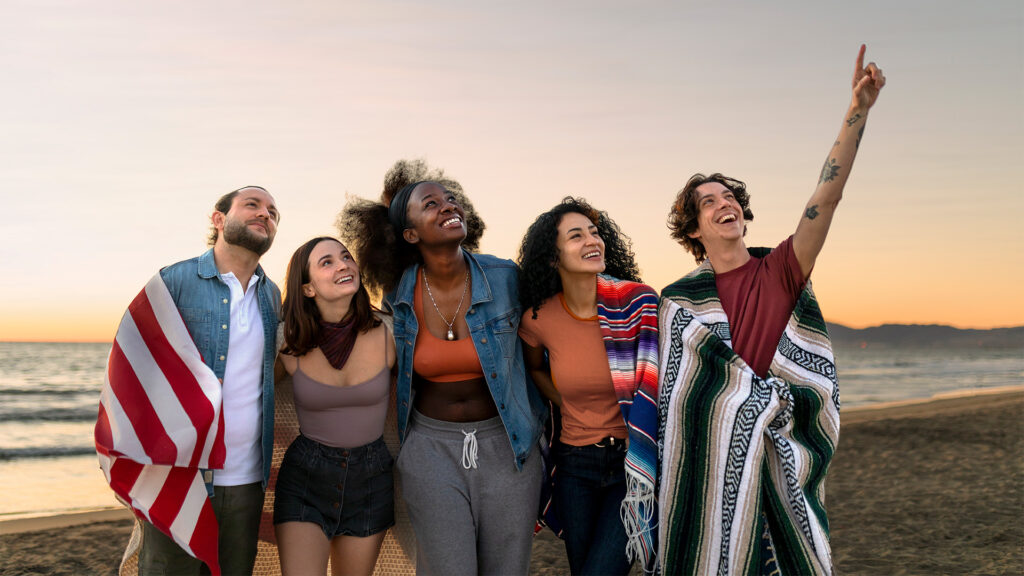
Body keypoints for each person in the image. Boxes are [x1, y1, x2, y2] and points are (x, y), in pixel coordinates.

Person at [657, 46, 885, 575]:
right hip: (712, 464)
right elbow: (673, 397)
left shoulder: (781, 269)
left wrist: (858, 110)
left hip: (782, 451)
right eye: (707, 201)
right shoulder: (678, 302)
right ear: (692, 228)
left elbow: (826, 198)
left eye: (728, 195)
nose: (723, 203)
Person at [337, 159, 547, 575]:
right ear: (410, 234)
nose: (448, 206)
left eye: (451, 199)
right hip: (431, 450)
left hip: (508, 446)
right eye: (430, 203)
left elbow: (545, 340)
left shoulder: (505, 278)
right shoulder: (398, 294)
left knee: (507, 568)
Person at [96, 186, 282, 575]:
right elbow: (130, 368)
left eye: (272, 212)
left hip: (247, 479)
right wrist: (132, 449)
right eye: (252, 205)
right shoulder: (173, 282)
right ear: (218, 219)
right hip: (180, 476)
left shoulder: (272, 296)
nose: (265, 214)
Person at [517, 198, 659, 575]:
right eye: (576, 236)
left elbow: (661, 380)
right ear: (553, 256)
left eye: (595, 233)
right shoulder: (538, 317)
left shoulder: (638, 303)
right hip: (574, 466)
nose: (591, 241)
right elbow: (534, 370)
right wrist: (565, 402)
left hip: (632, 465)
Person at [272, 237, 396, 576]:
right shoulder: (288, 340)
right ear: (308, 288)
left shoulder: (389, 333)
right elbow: (251, 397)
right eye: (326, 262)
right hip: (305, 477)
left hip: (371, 477)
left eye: (345, 257)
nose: (343, 264)